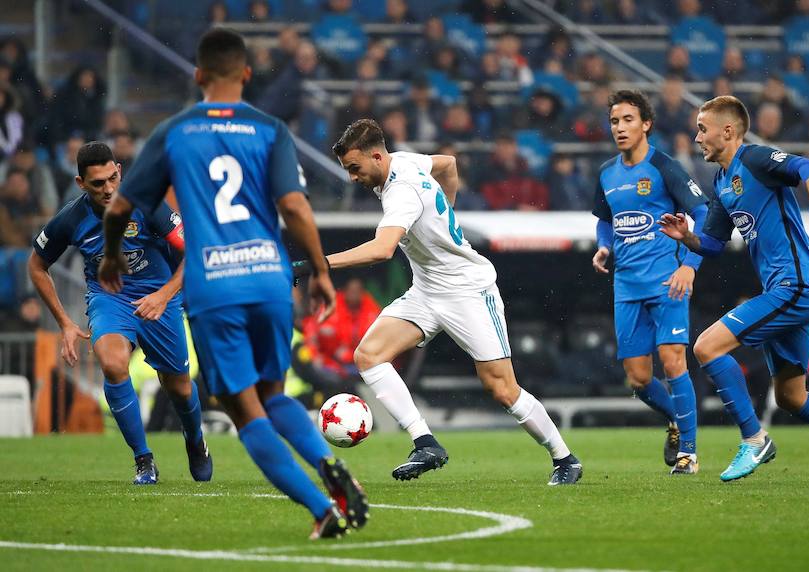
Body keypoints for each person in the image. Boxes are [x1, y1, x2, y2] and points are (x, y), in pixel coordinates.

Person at [97, 28, 366, 540]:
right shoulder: (270, 129)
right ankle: (329, 465)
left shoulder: (175, 132)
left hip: (213, 283)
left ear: (198, 75)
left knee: (244, 410)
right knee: (274, 392)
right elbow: (293, 206)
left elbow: (121, 207)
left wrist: (111, 256)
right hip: (268, 277)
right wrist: (321, 272)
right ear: (246, 74)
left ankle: (322, 508)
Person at [312, 118, 581, 485]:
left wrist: (320, 263)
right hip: (426, 290)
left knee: (502, 389)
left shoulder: (401, 191)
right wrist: (447, 212)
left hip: (468, 290)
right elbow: (448, 165)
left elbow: (382, 249)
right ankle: (425, 442)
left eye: (355, 169)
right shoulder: (404, 160)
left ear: (376, 156)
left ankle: (565, 459)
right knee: (369, 356)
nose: (352, 178)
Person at [658, 95, 809, 483]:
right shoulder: (722, 182)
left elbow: (806, 165)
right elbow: (715, 245)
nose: (697, 136)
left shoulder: (754, 159)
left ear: (728, 131)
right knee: (791, 396)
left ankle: (754, 439)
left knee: (705, 346)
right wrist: (686, 237)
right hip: (785, 291)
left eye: (703, 128)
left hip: (796, 286)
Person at [28, 141, 211, 485]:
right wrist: (65, 322)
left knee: (180, 389)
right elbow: (37, 266)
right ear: (81, 183)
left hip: (161, 296)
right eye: (98, 183)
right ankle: (144, 460)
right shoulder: (70, 219)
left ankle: (195, 441)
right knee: (112, 364)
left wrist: (165, 293)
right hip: (109, 298)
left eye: (113, 178)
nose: (108, 189)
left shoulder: (148, 204)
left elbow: (196, 250)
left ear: (120, 172)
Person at [591, 90, 708, 475]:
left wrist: (689, 264)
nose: (620, 128)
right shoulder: (607, 173)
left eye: (627, 120)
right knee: (639, 379)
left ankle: (689, 453)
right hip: (626, 284)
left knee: (674, 362)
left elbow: (703, 213)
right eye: (614, 121)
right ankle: (677, 420)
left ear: (646, 125)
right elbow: (605, 219)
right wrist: (604, 247)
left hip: (667, 280)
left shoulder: (664, 167)